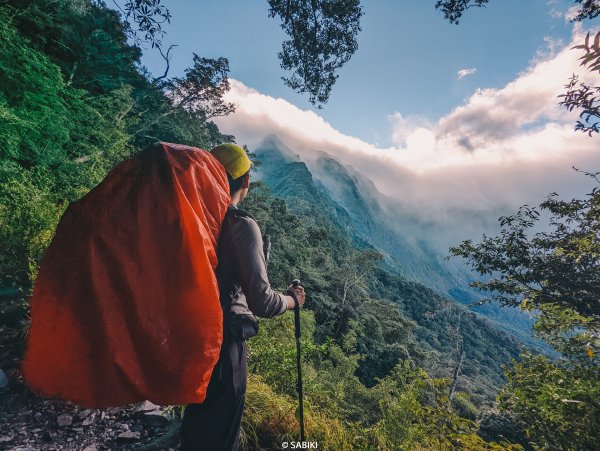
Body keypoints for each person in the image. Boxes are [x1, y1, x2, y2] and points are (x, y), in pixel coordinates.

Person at [180, 143, 306, 451]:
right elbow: (262, 301)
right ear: (246, 181)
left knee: (198, 415)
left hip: (192, 331)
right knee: (221, 429)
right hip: (225, 340)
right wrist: (293, 300)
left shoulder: (194, 217)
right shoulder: (241, 224)